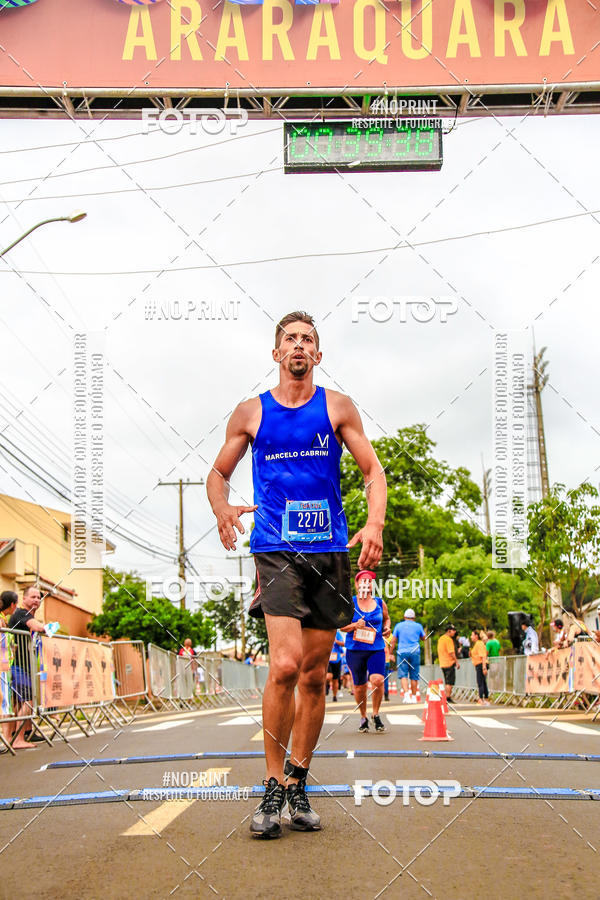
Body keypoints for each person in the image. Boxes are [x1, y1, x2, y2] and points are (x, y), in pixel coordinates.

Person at [207, 311, 386, 839]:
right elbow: (218, 474)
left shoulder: (337, 407)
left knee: (312, 675)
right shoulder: (250, 413)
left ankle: (298, 781)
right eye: (290, 339)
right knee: (283, 665)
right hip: (277, 551)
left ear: (318, 354)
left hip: (330, 549)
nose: (299, 346)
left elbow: (372, 471)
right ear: (276, 353)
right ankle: (269, 787)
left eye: (308, 339)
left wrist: (374, 522)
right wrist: (222, 508)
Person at [341, 570, 390, 733]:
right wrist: (355, 625)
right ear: (357, 584)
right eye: (364, 581)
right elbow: (341, 626)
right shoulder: (350, 603)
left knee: (377, 680)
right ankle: (363, 716)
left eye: (370, 581)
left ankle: (376, 714)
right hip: (355, 650)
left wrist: (387, 627)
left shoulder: (380, 602)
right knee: (360, 687)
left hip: (376, 649)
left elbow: (386, 618)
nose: (367, 584)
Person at [8, 586, 45, 748]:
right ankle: (18, 739)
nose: (37, 600)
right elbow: (39, 627)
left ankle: (18, 736)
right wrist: (49, 628)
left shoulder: (26, 614)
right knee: (28, 700)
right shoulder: (21, 613)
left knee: (17, 702)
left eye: (39, 597)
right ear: (24, 599)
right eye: (33, 597)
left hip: (22, 665)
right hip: (18, 665)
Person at [390, 608, 425, 703]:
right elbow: (423, 638)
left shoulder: (399, 626)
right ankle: (414, 697)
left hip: (402, 652)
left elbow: (393, 640)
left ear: (404, 617)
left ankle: (406, 695)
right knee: (414, 675)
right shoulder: (418, 626)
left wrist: (390, 652)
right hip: (415, 652)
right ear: (414, 618)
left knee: (403, 674)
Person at [437, 623, 459, 703]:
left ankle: (446, 696)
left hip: (442, 663)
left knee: (446, 680)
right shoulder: (448, 639)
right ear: (449, 631)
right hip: (449, 662)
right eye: (453, 631)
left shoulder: (441, 639)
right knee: (449, 681)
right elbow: (451, 652)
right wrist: (456, 661)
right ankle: (448, 697)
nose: (454, 632)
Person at [470, 629, 490, 705]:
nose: (471, 637)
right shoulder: (477, 644)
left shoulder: (479, 644)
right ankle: (486, 698)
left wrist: (484, 667)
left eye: (472, 635)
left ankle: (481, 698)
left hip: (481, 664)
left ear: (476, 636)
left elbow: (483, 656)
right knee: (483, 682)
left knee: (480, 682)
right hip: (479, 664)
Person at [326, 630, 345, 701]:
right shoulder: (324, 631)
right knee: (328, 676)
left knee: (335, 679)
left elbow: (343, 644)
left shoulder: (337, 633)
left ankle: (334, 696)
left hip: (337, 659)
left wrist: (336, 641)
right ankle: (327, 685)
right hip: (327, 659)